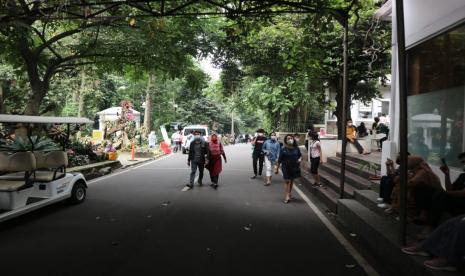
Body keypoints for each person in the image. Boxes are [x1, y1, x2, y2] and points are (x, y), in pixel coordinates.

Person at [276, 134, 302, 203]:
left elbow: (300, 156)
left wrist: (299, 159)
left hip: (294, 167)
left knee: (291, 181)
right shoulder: (283, 149)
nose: (290, 139)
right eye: (288, 138)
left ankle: (290, 193)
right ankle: (287, 196)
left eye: (291, 138)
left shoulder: (296, 148)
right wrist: (277, 168)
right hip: (285, 167)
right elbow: (279, 159)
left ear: (293, 139)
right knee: (287, 181)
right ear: (286, 140)